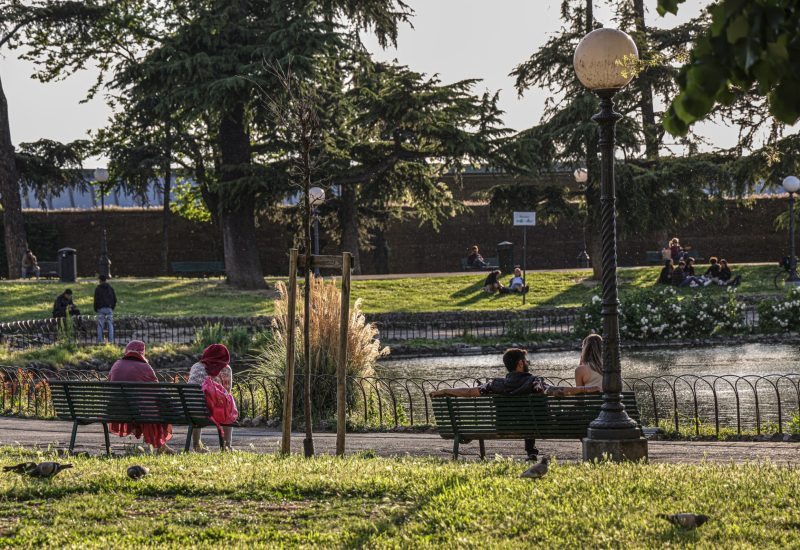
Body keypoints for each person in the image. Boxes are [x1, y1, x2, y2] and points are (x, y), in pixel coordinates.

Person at [430, 348, 600, 460]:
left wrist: (445, 391)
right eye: (526, 361)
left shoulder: (494, 385)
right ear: (520, 364)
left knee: (526, 415)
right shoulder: (534, 383)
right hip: (539, 426)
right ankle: (531, 452)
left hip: (504, 427)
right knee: (539, 414)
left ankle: (531, 452)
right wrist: (586, 389)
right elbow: (558, 392)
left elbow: (469, 392)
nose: (527, 363)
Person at [108, 340, 175, 454]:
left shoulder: (116, 365)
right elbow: (158, 390)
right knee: (160, 407)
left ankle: (161, 446)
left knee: (146, 406)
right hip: (140, 412)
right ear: (142, 352)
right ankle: (160, 445)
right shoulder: (145, 367)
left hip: (118, 411)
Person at [188, 344, 233, 452]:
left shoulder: (196, 366)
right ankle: (227, 446)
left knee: (197, 402)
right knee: (229, 404)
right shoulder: (225, 368)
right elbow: (227, 393)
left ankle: (196, 446)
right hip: (212, 411)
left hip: (190, 409)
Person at [94, 275, 117, 343]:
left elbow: (96, 300)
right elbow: (115, 299)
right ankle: (111, 340)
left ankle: (100, 340)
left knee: (100, 324)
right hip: (109, 308)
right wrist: (112, 307)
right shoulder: (110, 288)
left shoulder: (98, 289)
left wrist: (96, 308)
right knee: (110, 324)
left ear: (100, 280)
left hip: (101, 308)